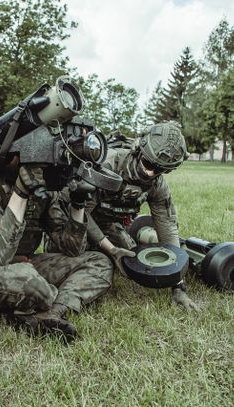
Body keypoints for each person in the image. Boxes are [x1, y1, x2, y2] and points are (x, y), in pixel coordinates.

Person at [0, 159, 113, 341]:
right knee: (31, 282)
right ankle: (36, 304)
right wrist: (21, 192)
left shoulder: (45, 186)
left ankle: (53, 312)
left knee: (99, 262)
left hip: (23, 262)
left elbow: (72, 249)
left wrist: (77, 204)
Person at [53, 121, 199, 311]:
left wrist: (178, 285)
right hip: (75, 223)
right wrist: (110, 249)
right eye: (148, 164)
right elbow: (82, 212)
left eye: (160, 170)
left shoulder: (157, 184)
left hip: (107, 225)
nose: (150, 173)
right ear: (138, 150)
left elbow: (167, 228)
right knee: (79, 254)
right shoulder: (105, 165)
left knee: (134, 262)